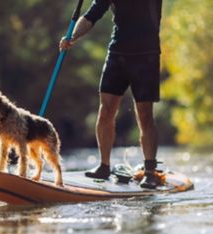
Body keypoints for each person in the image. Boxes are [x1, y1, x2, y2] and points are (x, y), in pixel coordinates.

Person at [60, 0, 163, 189]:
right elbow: (92, 14)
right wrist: (72, 37)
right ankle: (104, 166)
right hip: (117, 53)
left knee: (145, 114)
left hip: (146, 54)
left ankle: (150, 172)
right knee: (105, 110)